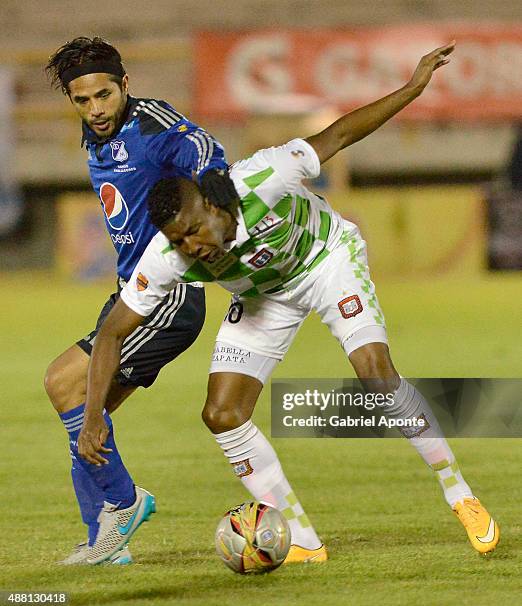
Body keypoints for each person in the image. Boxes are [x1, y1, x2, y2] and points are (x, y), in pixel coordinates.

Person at [79, 42, 499, 564]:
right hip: (264, 297)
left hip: (326, 261)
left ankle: (459, 493)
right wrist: (94, 414)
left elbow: (339, 135)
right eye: (179, 242)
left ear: (212, 206)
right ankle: (300, 538)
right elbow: (114, 331)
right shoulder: (168, 256)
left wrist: (412, 88)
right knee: (222, 413)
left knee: (375, 375)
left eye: (193, 232)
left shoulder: (262, 177)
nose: (192, 248)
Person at [43, 37, 239, 565]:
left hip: (170, 294)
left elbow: (198, 145)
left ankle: (125, 504)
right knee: (82, 410)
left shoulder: (149, 122)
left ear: (124, 85)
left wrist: (215, 177)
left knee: (66, 387)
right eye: (82, 101)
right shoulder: (95, 134)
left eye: (104, 95)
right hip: (131, 289)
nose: (96, 109)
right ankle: (103, 543)